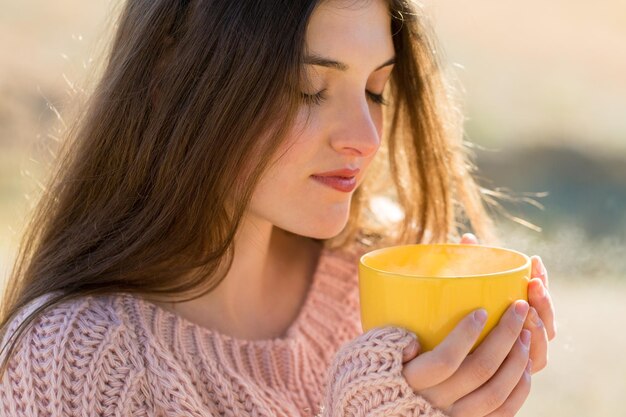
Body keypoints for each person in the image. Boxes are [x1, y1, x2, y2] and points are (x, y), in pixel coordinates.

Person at [0, 0, 556, 416]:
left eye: (374, 90)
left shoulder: (375, 284)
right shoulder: (76, 357)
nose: (364, 138)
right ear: (170, 78)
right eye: (310, 87)